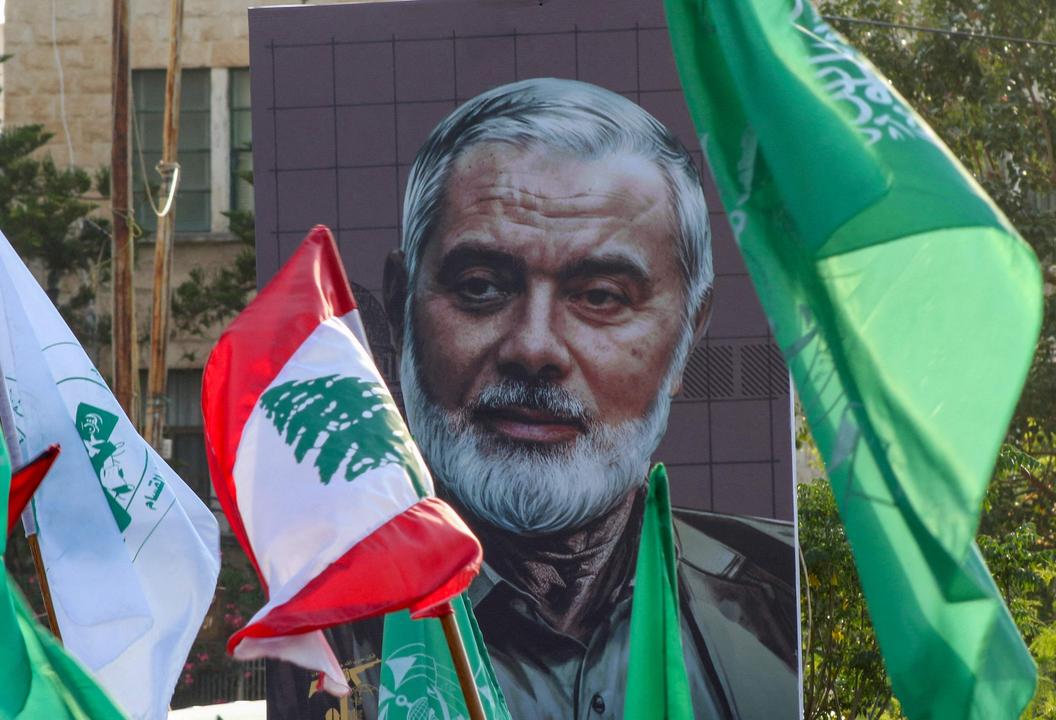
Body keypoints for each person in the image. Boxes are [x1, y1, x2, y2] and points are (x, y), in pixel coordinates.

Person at [269, 78, 798, 720]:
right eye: (482, 285)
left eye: (601, 296)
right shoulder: (315, 635)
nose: (534, 347)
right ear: (404, 306)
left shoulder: (793, 596)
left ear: (688, 333)